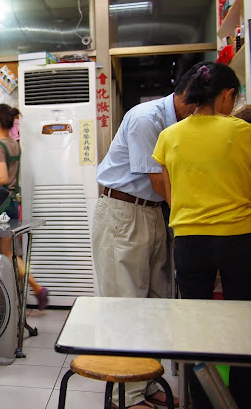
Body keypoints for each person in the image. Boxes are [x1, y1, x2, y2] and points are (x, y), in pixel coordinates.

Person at [91, 64, 201, 408]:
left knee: (156, 304)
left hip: (152, 214)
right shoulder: (146, 118)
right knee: (126, 304)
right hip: (123, 213)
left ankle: (149, 381)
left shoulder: (178, 124)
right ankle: (126, 395)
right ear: (193, 100)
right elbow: (157, 181)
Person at [152, 62, 251, 409]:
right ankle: (240, 397)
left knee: (194, 326)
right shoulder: (242, 132)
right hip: (238, 238)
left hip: (189, 241)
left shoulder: (169, 136)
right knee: (244, 324)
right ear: (226, 95)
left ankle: (201, 401)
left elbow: (169, 187)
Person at [0, 103, 49, 309]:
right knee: (13, 253)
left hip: (1, 205)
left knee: (5, 254)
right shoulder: (14, 144)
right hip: (13, 202)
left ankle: (21, 293)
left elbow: (2, 178)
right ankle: (24, 292)